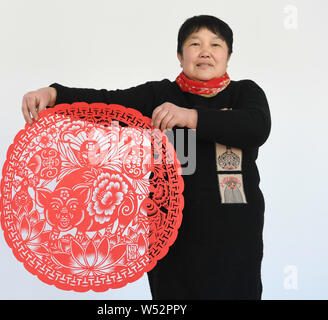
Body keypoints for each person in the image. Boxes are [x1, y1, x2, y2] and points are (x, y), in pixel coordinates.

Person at [21, 15, 271, 300]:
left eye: (215, 44)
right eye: (194, 44)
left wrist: (190, 117)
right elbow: (106, 103)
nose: (205, 51)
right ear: (180, 55)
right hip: (171, 233)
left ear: (227, 55)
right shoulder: (159, 95)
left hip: (235, 235)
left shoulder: (244, 93)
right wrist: (54, 94)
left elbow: (257, 126)